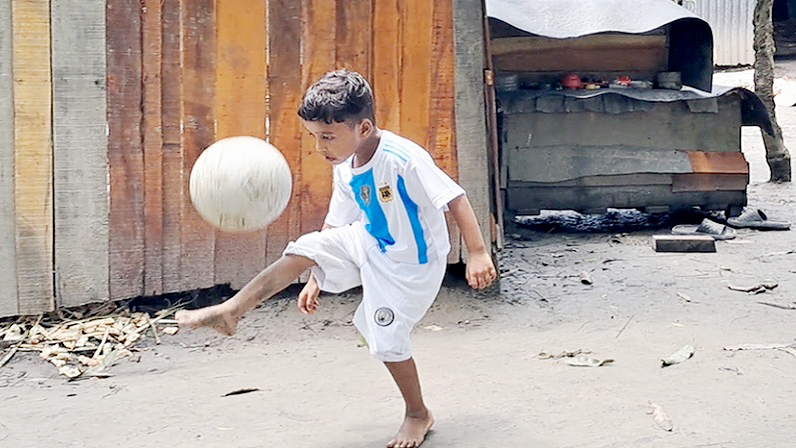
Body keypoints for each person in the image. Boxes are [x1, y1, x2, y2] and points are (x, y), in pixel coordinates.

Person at [176, 69, 497, 448]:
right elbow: (336, 222)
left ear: (363, 128)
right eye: (314, 137)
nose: (320, 147)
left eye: (327, 137)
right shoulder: (345, 165)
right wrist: (316, 273)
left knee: (387, 342)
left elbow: (455, 197)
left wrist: (477, 253)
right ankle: (232, 309)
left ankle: (417, 413)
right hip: (370, 242)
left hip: (413, 266)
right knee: (305, 247)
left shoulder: (402, 158)